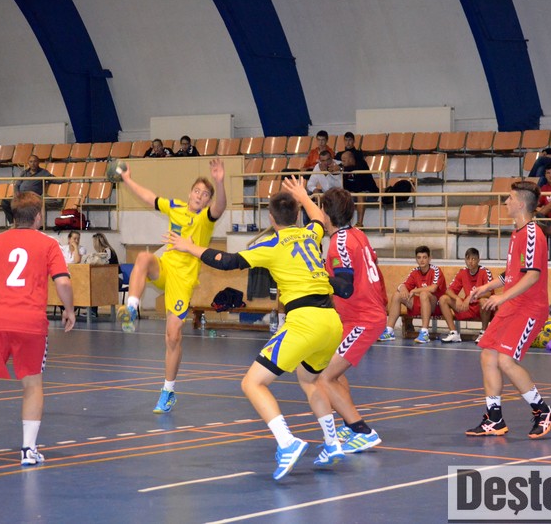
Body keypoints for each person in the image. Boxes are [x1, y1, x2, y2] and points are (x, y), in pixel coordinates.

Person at [165, 176, 345, 480]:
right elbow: (318, 217)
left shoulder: (271, 245)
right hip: (331, 321)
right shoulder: (311, 233)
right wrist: (303, 195)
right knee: (309, 379)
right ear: (297, 215)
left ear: (271, 219)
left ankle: (287, 443)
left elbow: (226, 261)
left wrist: (190, 246)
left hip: (305, 322)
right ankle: (332, 442)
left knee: (252, 383)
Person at [0, 192, 75, 469]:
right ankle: (28, 451)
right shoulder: (49, 244)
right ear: (38, 216)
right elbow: (63, 282)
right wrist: (69, 310)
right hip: (31, 323)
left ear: (12, 216)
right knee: (32, 384)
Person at [116, 159, 227, 414]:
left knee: (173, 336)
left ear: (207, 201)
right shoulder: (176, 207)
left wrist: (220, 182)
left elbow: (220, 206)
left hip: (183, 281)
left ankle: (168, 391)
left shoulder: (205, 219)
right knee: (144, 258)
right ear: (189, 193)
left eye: (205, 194)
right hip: (165, 267)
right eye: (197, 191)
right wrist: (128, 179)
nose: (200, 196)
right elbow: (150, 198)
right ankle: (131, 308)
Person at [465, 181, 551, 439]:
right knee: (488, 355)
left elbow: (532, 275)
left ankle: (543, 411)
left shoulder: (532, 234)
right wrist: (486, 287)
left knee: (505, 360)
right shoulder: (517, 233)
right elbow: (512, 274)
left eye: (509, 197)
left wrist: (501, 298)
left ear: (520, 203)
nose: (505, 202)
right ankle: (494, 419)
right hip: (512, 305)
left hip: (529, 308)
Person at [317, 187, 387, 454]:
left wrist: (317, 275)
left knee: (323, 377)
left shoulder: (339, 243)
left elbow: (345, 288)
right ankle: (349, 423)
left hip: (363, 319)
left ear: (327, 213)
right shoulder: (357, 234)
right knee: (333, 372)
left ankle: (363, 431)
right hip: (355, 317)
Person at [378, 246, 445, 344]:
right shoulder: (415, 272)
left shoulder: (436, 270)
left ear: (430, 258)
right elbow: (403, 285)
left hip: (435, 306)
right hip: (421, 303)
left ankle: (424, 332)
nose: (422, 260)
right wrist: (403, 288)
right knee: (397, 295)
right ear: (416, 259)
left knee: (424, 294)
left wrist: (415, 290)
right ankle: (389, 331)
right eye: (419, 257)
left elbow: (433, 288)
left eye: (424, 257)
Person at [437, 247, 493, 344]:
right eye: (468, 259)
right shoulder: (462, 272)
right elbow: (449, 290)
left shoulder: (485, 272)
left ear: (478, 260)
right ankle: (453, 333)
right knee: (443, 299)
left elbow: (489, 292)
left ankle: (484, 333)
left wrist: (471, 296)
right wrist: (457, 298)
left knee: (484, 301)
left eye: (473, 259)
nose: (470, 262)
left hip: (481, 308)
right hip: (467, 307)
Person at [1, 155, 58, 224]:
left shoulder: (43, 172)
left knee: (24, 205)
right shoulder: (24, 172)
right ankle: (12, 223)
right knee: (5, 202)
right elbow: (17, 185)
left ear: (38, 162)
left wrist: (67, 180)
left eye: (35, 161)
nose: (33, 163)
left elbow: (54, 179)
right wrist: (16, 193)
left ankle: (26, 224)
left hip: (33, 196)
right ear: (28, 163)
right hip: (21, 195)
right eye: (31, 162)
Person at [341, 150, 379, 227]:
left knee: (360, 195)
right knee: (346, 195)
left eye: (344, 160)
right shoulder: (345, 170)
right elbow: (346, 186)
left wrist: (342, 169)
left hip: (370, 193)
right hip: (356, 193)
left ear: (350, 159)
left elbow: (362, 186)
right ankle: (347, 224)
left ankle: (359, 223)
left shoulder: (362, 164)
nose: (342, 163)